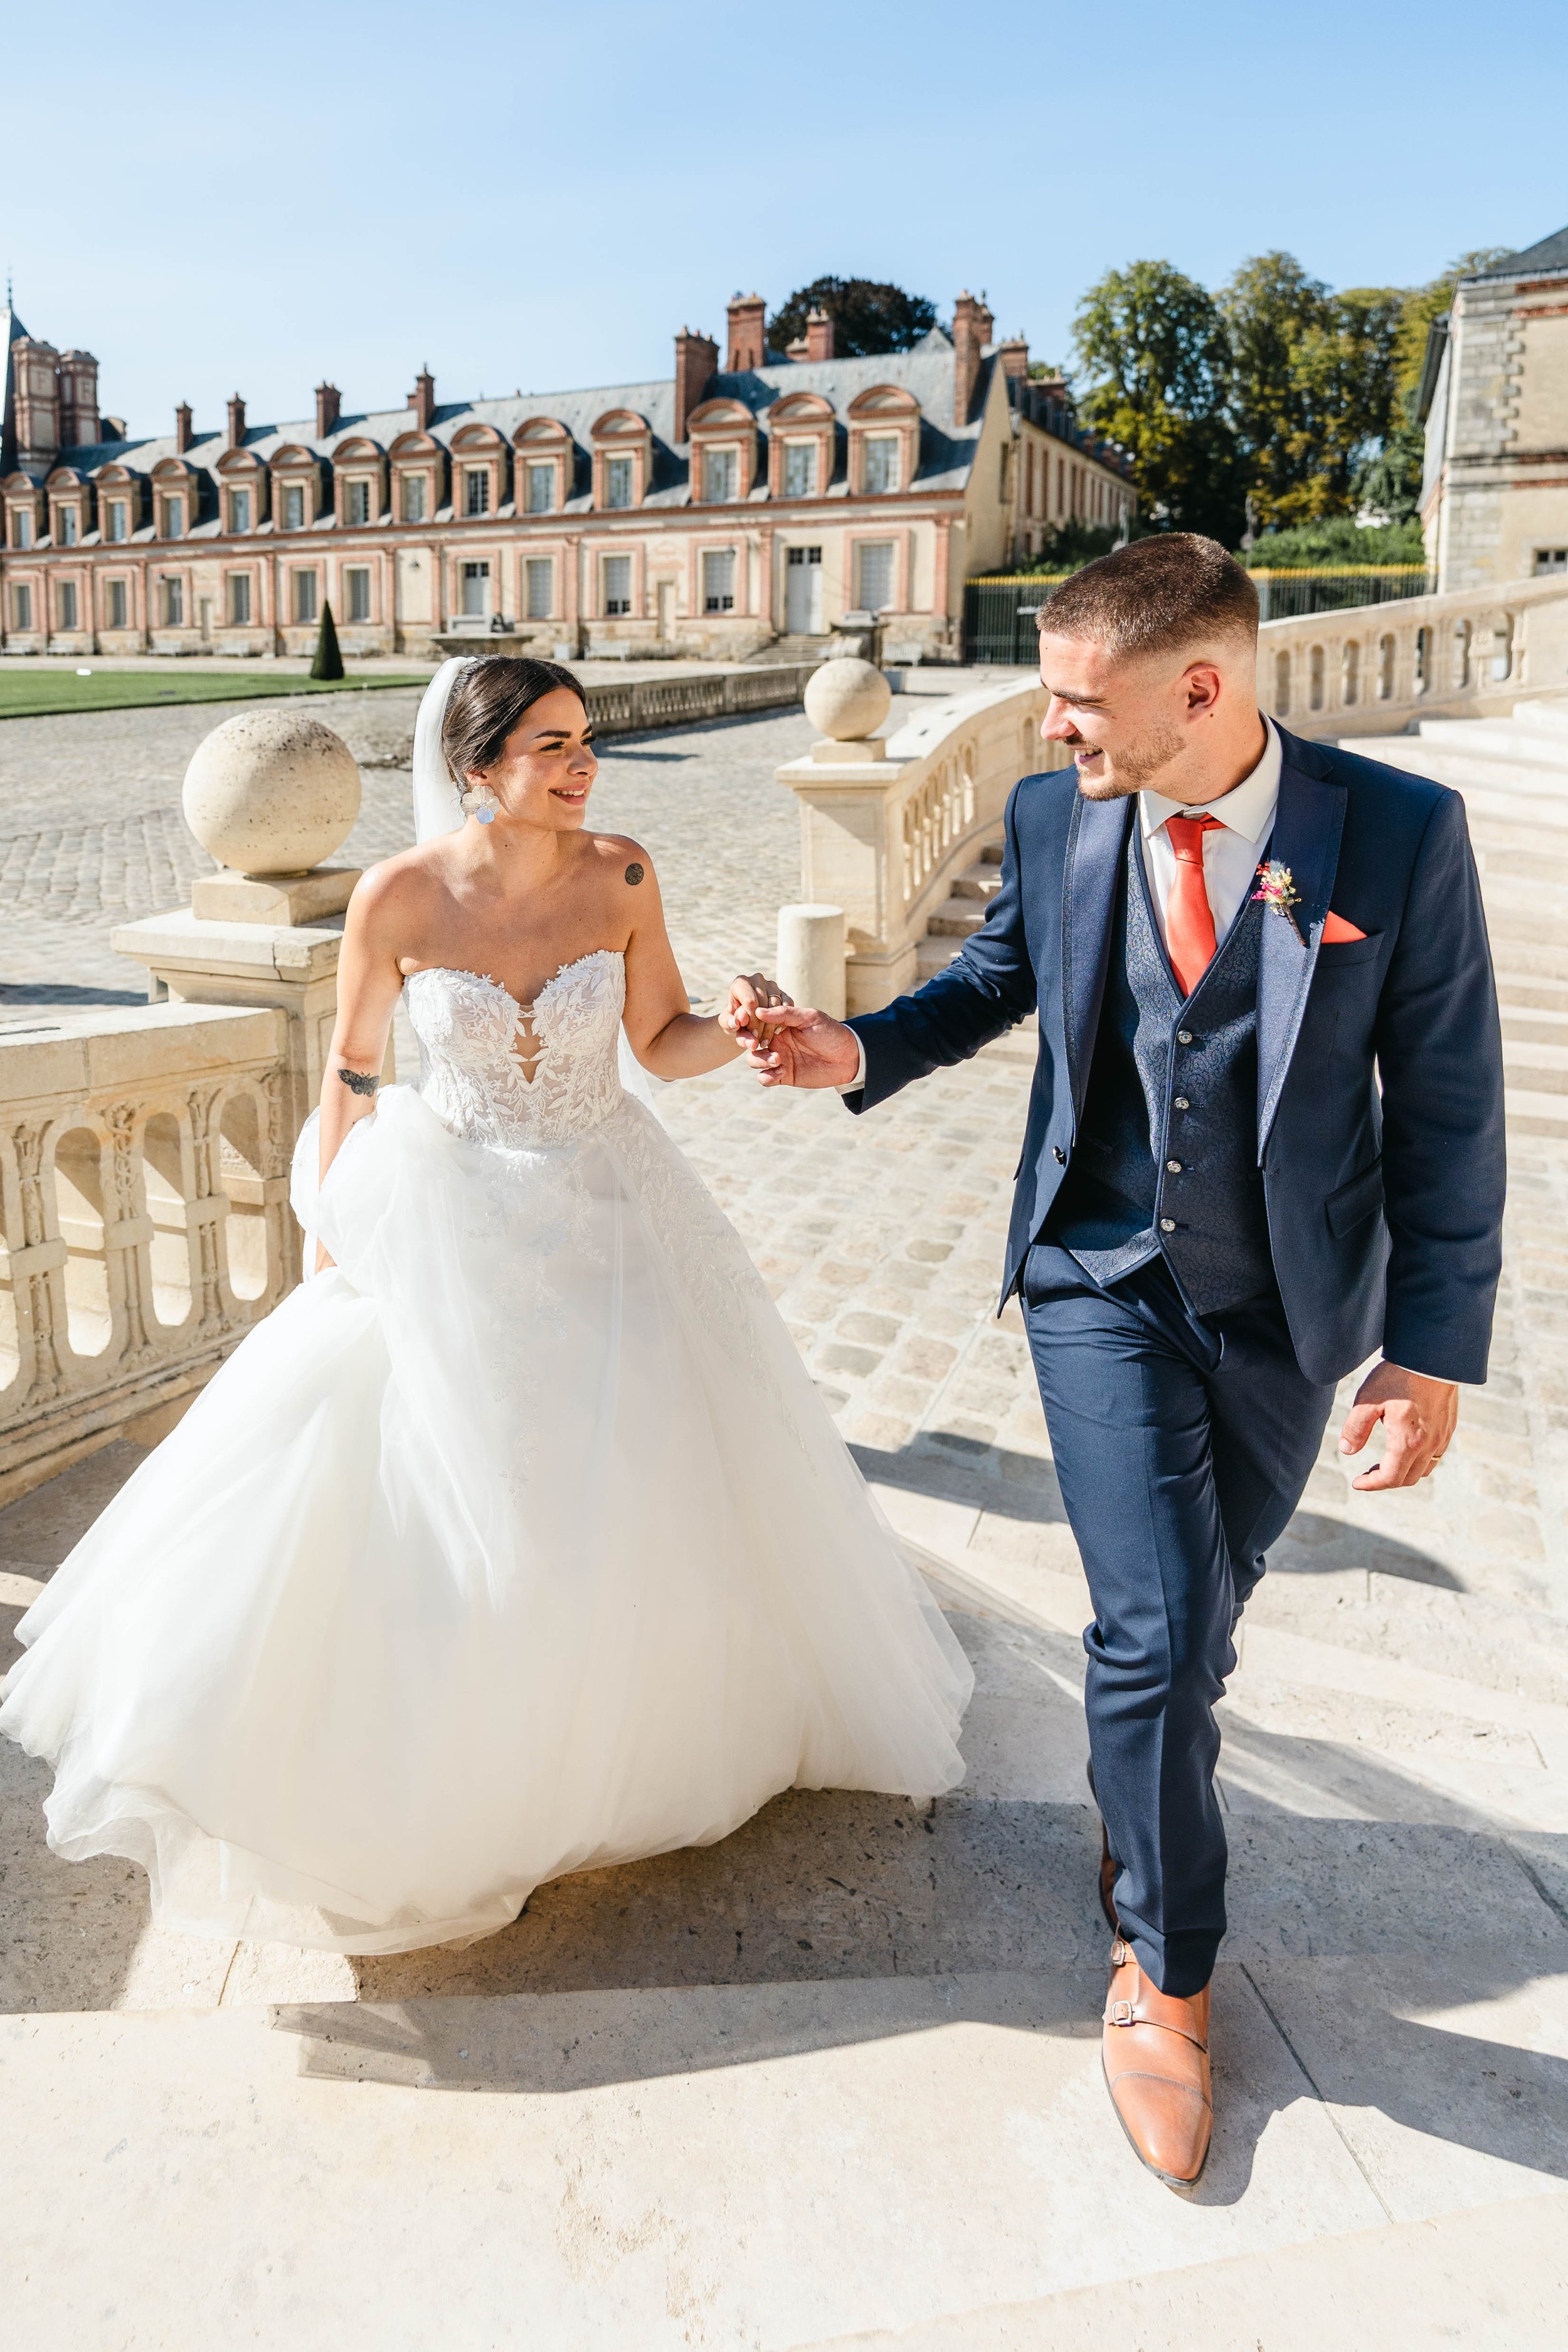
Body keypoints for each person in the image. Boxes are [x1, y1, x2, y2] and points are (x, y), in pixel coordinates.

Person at [0, 657, 972, 1956]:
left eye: (586, 742)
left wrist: (740, 1025)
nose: (581, 765)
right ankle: (455, 1761)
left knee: (626, 1481)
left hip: (607, 1205)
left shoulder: (620, 874)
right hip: (447, 1209)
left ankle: (612, 1741)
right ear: (477, 767)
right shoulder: (398, 896)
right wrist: (335, 1227)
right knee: (450, 1485)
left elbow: (660, 1044)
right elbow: (350, 1072)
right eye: (552, 745)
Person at [741, 536, 1505, 2187]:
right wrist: (852, 1046)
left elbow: (1443, 1102)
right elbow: (994, 979)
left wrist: (1423, 1348)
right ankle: (1163, 1976)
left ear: (1202, 688)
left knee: (1194, 1634)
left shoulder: (1393, 831)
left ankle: (1132, 1800)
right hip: (1098, 1271)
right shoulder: (1054, 816)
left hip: (1290, 1307)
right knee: (1153, 1629)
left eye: (1081, 705)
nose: (1052, 733)